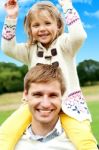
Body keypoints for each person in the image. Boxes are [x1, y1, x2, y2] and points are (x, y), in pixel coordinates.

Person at [0, 0, 98, 149]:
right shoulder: (30, 49)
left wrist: (66, 5)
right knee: (6, 133)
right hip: (36, 104)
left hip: (68, 104)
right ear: (29, 29)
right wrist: (12, 18)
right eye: (36, 25)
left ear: (58, 25)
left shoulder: (65, 44)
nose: (42, 29)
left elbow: (79, 36)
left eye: (47, 23)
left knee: (83, 139)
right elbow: (8, 48)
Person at [15, 64, 77, 149]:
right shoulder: (12, 144)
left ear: (62, 96)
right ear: (25, 95)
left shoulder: (78, 144)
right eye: (37, 95)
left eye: (53, 95)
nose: (45, 104)